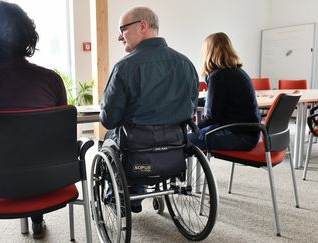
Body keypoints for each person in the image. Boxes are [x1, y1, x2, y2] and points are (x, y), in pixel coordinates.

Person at [0, 1, 66, 239]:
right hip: (47, 178)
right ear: (28, 35)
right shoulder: (51, 80)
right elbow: (60, 136)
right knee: (36, 149)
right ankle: (37, 218)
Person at [100, 6, 199, 212]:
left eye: (122, 29)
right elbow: (190, 109)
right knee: (133, 137)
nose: (120, 37)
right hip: (175, 149)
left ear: (142, 25)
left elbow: (109, 119)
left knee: (111, 137)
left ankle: (125, 197)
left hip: (137, 151)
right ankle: (138, 192)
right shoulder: (186, 64)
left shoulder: (125, 67)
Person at [189, 32, 260, 150]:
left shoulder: (218, 76)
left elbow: (212, 117)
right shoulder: (237, 71)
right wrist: (195, 102)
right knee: (195, 135)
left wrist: (194, 127)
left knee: (183, 141)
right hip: (249, 134)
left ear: (208, 52)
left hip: (239, 136)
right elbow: (217, 102)